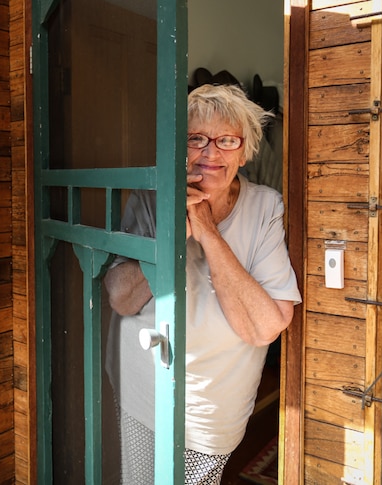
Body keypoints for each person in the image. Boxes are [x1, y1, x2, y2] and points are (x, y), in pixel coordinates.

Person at [103, 83, 302, 485]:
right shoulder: (149, 197)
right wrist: (173, 231)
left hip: (213, 406)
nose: (211, 153)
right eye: (196, 138)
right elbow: (122, 299)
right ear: (179, 147)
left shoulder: (266, 206)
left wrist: (209, 231)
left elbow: (266, 325)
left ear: (244, 151)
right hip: (144, 387)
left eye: (227, 140)